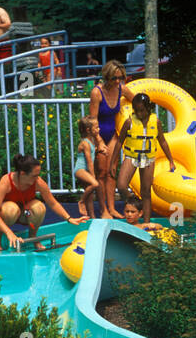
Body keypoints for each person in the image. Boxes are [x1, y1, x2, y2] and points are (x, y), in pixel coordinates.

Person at [0, 154, 87, 252]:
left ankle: (33, 236)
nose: (37, 178)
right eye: (34, 175)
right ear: (22, 173)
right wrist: (9, 233)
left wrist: (68, 218)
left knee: (40, 207)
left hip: (25, 214)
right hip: (8, 215)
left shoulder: (38, 182)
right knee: (11, 209)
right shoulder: (6, 182)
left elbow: (53, 203)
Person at [112, 92, 175, 213]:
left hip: (148, 158)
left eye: (141, 110)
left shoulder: (155, 122)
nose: (139, 113)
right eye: (136, 110)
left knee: (146, 192)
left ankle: (146, 221)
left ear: (148, 108)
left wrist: (171, 160)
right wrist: (113, 163)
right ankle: (135, 201)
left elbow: (162, 142)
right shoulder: (129, 122)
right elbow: (119, 142)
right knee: (121, 185)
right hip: (132, 156)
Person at [88, 61, 130, 218]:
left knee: (111, 172)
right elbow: (93, 120)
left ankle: (112, 208)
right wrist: (99, 141)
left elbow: (139, 99)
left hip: (112, 135)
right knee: (101, 173)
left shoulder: (121, 89)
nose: (117, 81)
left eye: (120, 78)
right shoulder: (97, 92)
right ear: (107, 77)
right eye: (114, 78)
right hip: (98, 135)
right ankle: (103, 209)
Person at [74, 117, 103, 219]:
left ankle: (91, 217)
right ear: (88, 130)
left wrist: (98, 149)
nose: (98, 129)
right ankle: (81, 202)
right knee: (95, 184)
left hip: (85, 170)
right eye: (96, 128)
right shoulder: (85, 143)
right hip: (80, 169)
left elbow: (92, 152)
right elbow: (89, 161)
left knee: (89, 195)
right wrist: (93, 175)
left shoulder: (90, 142)